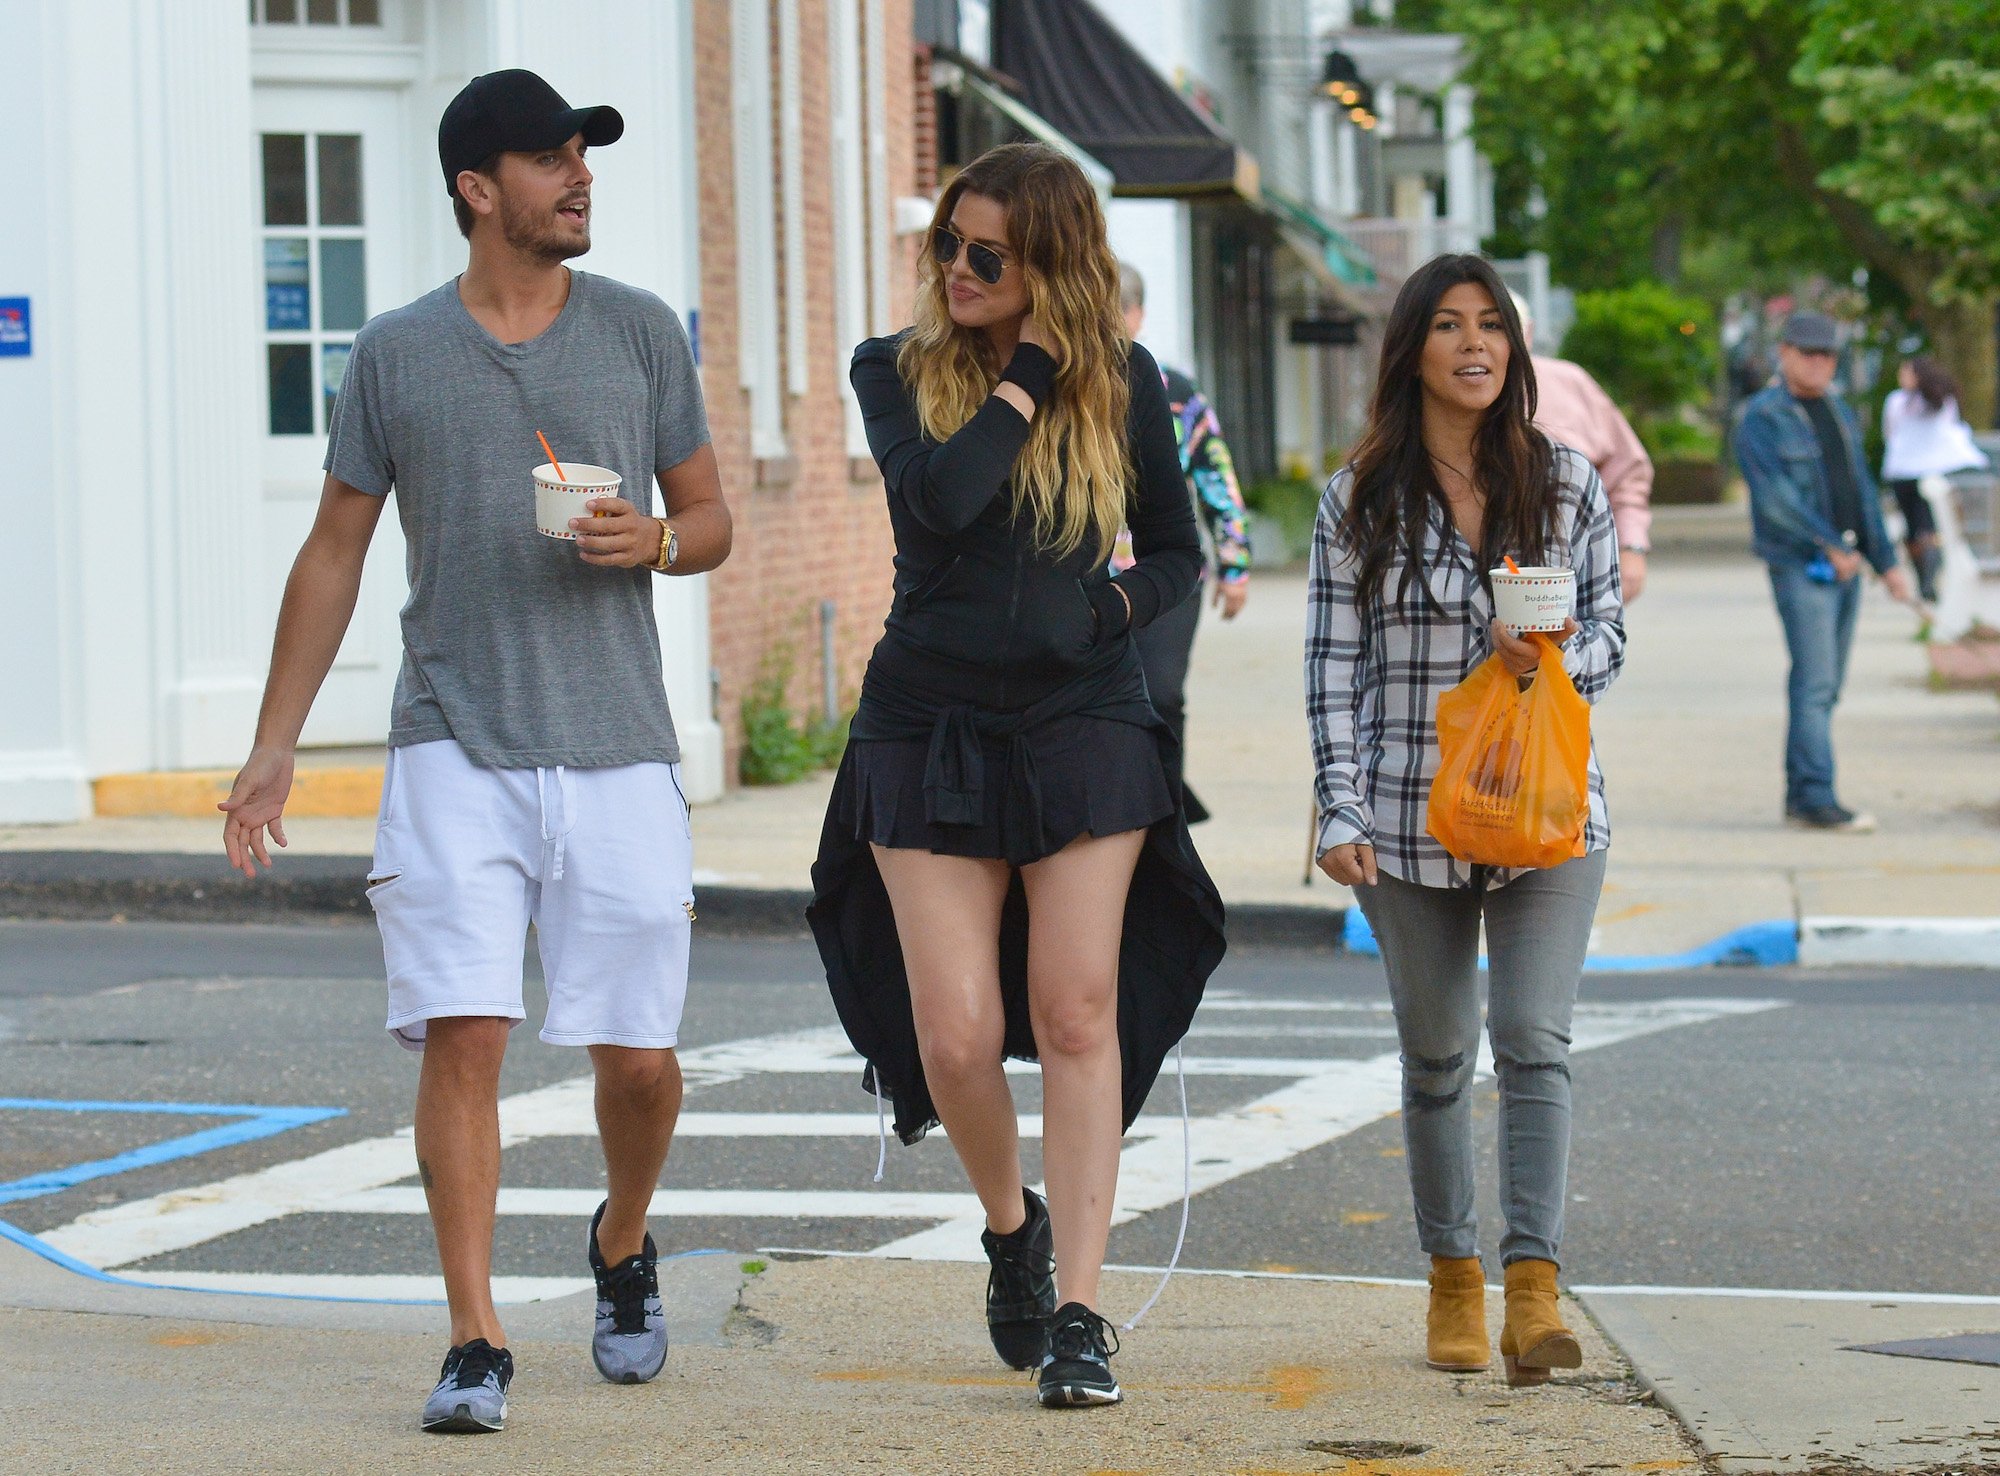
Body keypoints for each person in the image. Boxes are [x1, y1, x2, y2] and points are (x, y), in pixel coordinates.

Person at [217, 69, 731, 1434]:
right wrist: (275, 744)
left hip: (616, 740)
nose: (580, 179)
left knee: (635, 1056)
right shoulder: (395, 352)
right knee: (465, 1034)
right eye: (552, 159)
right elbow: (335, 548)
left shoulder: (636, 336)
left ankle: (623, 1239)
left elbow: (712, 519)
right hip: (453, 737)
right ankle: (475, 1332)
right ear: (476, 189)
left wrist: (660, 543)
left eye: (584, 158)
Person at [808, 143, 1225, 1410]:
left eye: (988, 252)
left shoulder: (1129, 384)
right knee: (955, 1036)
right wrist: (1032, 365)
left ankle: (1085, 1313)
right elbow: (940, 504)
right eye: (948, 244)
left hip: (1081, 724)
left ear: (1049, 261)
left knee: (1075, 1011)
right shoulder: (894, 370)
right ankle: (1011, 1227)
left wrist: (1111, 616)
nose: (957, 269)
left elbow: (1172, 550)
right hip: (925, 721)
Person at [1306, 254, 1625, 1387]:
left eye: (1490, 325)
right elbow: (1331, 665)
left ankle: (1532, 1290)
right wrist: (1336, 805)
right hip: (1404, 817)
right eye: (1447, 326)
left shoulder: (1567, 483)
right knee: (1437, 1053)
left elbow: (1608, 640)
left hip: (1548, 813)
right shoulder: (1356, 498)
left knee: (1532, 1042)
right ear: (1412, 351)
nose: (1474, 344)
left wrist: (1546, 655)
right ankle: (1452, 1277)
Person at [1735, 310, 1910, 833]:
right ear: (1784, 353)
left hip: (1849, 564)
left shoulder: (1837, 409)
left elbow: (1860, 488)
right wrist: (1829, 545)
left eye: (1827, 354)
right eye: (1808, 353)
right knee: (1816, 682)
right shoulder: (1762, 417)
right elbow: (1775, 501)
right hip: (1802, 566)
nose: (1819, 363)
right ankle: (1817, 797)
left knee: (1824, 686)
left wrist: (1888, 562)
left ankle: (1802, 792)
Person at [1115, 262, 1252, 823]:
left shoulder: (1176, 392)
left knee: (1161, 694)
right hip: (1082, 577)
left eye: (1119, 309)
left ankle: (1163, 814)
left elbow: (1217, 477)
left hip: (1165, 577)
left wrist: (1235, 564)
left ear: (1139, 316)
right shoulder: (1059, 384)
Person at [1513, 292, 1655, 599]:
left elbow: (1627, 470)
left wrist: (1631, 546)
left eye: (1502, 326)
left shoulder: (1570, 384)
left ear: (1530, 331)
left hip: (1573, 572)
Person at [1882, 355, 1988, 605]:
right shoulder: (1943, 400)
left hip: (1904, 470)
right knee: (1930, 526)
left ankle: (1924, 580)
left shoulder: (1898, 402)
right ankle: (1930, 577)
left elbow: (1890, 432)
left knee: (1913, 526)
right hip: (1935, 470)